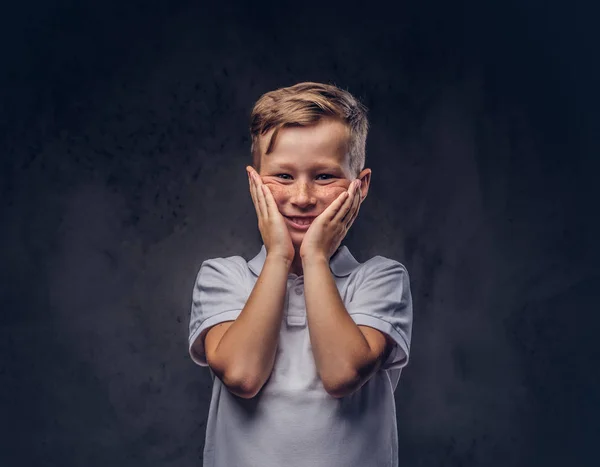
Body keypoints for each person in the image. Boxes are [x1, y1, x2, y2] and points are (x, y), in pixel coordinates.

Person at [188, 82, 413, 467]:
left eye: (325, 176)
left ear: (360, 186)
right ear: (254, 182)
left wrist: (315, 258)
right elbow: (242, 376)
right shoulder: (224, 277)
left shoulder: (380, 279)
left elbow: (342, 374)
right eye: (284, 176)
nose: (303, 197)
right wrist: (278, 254)